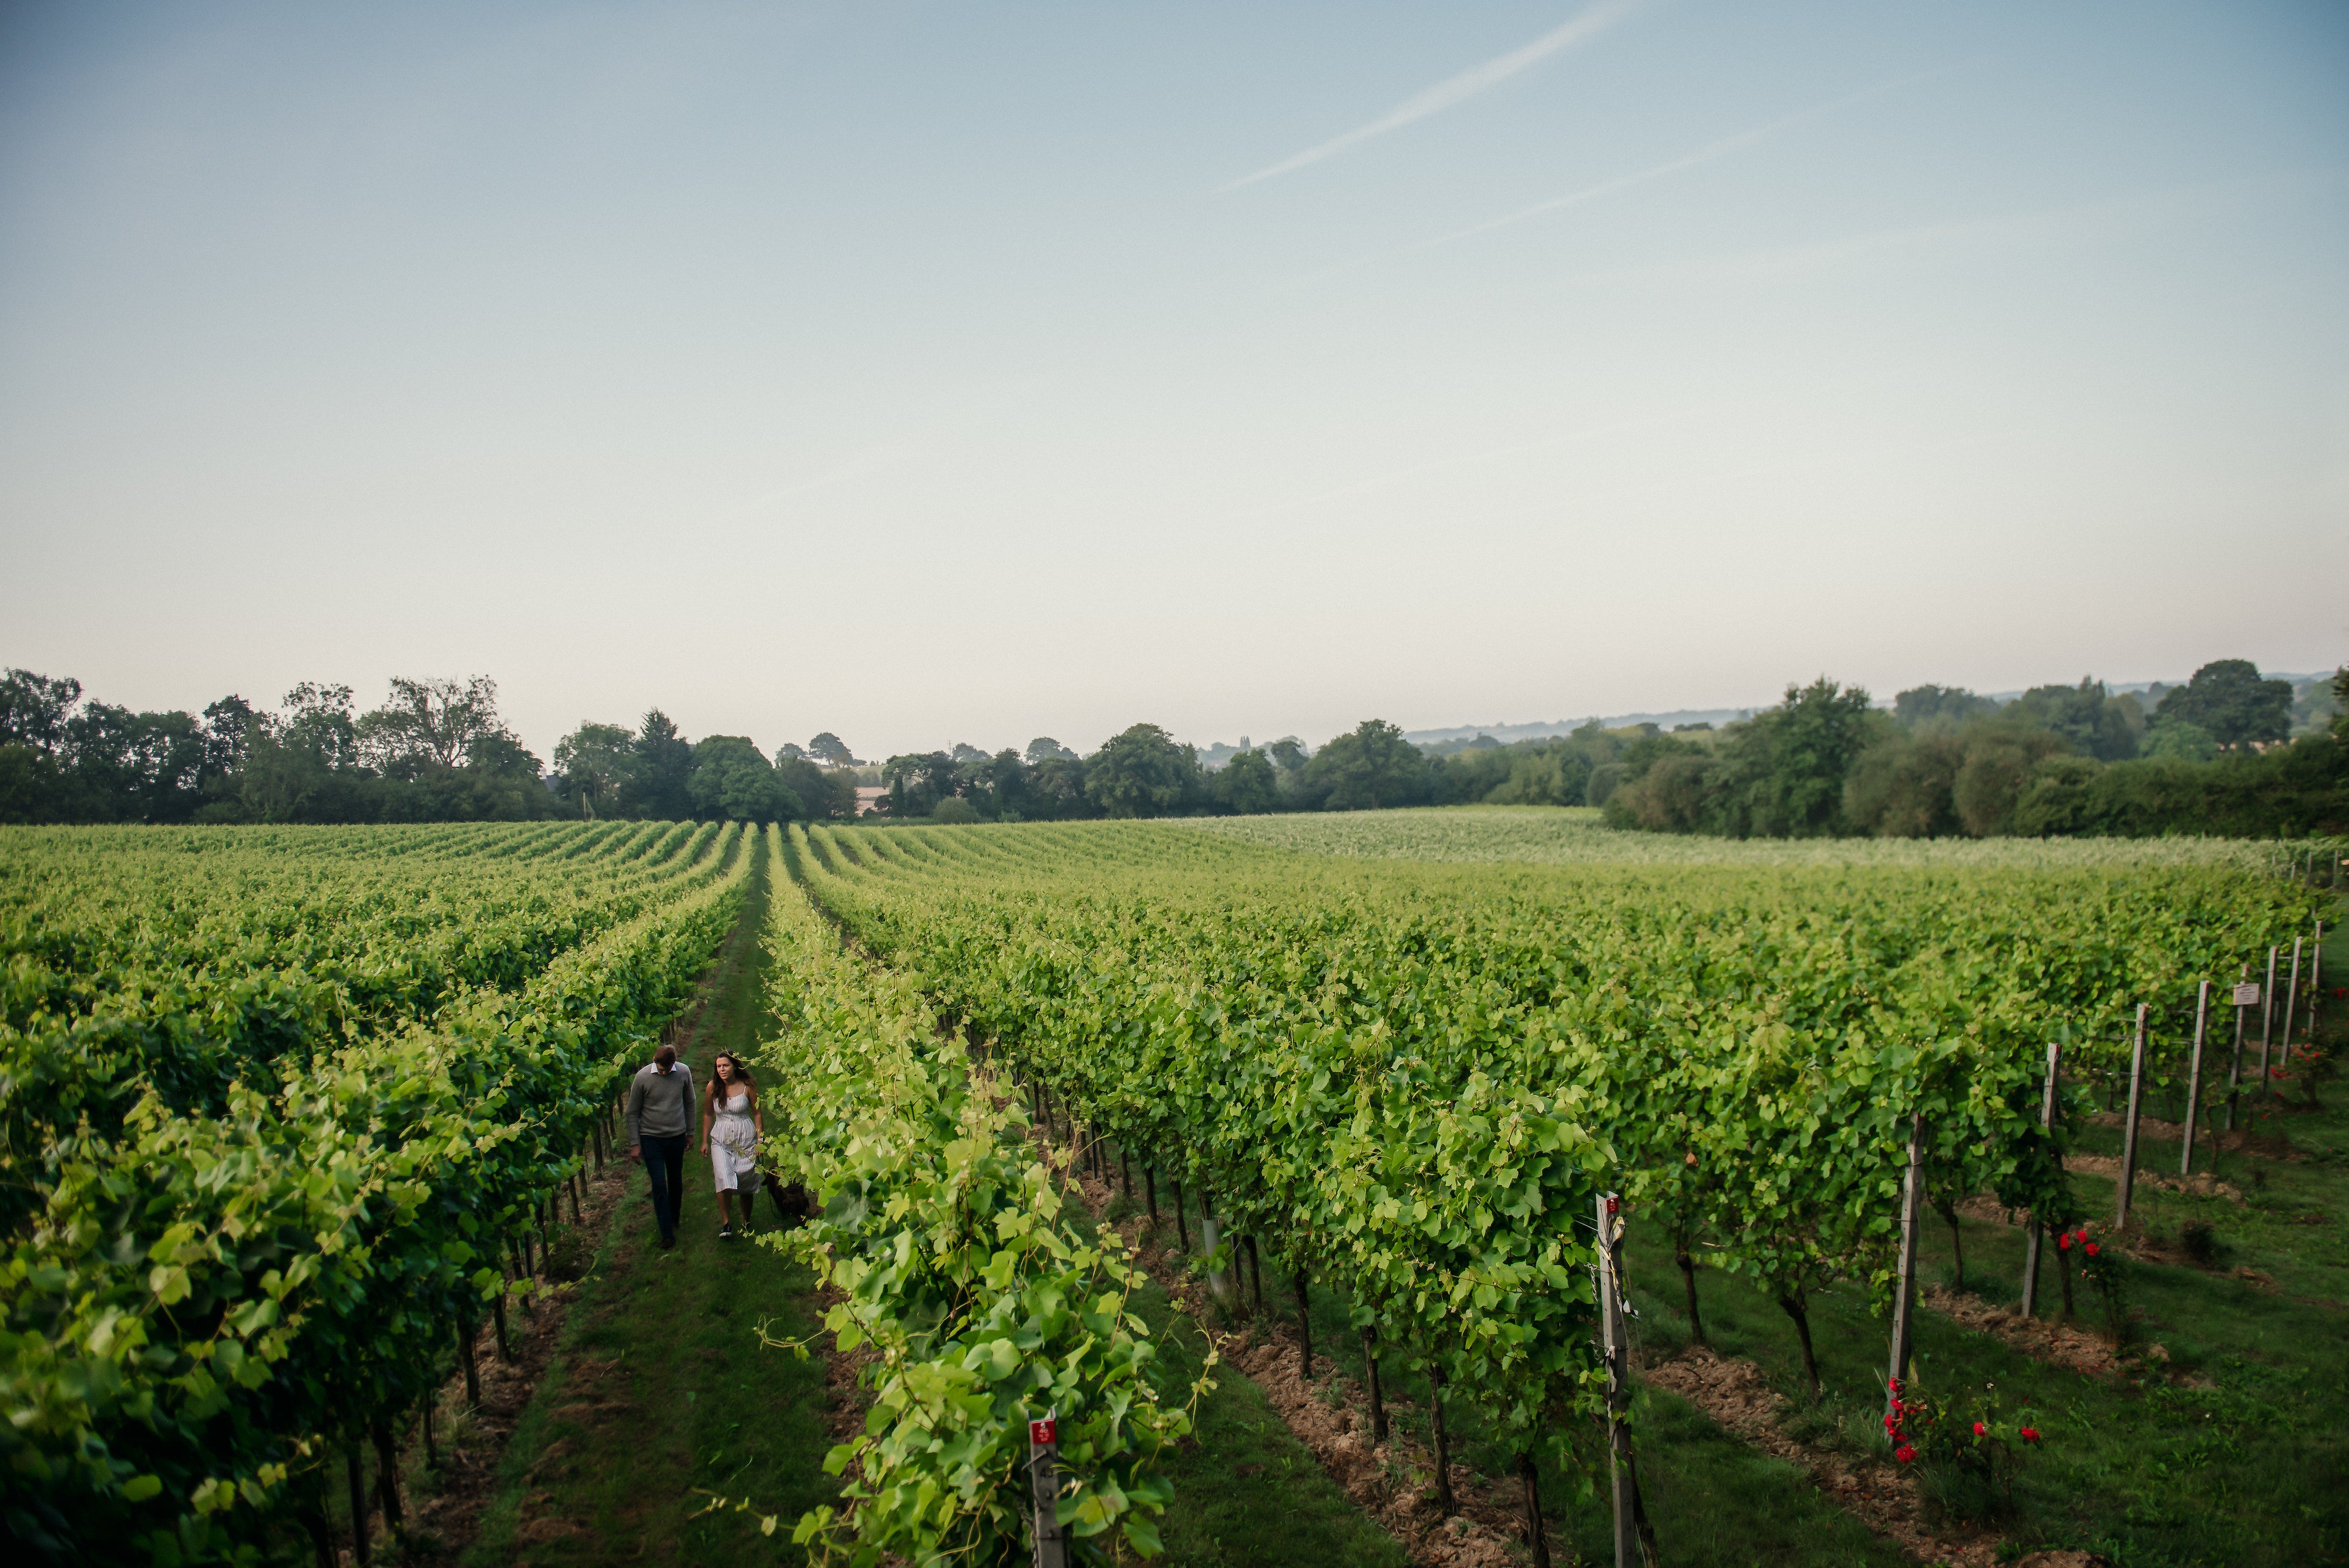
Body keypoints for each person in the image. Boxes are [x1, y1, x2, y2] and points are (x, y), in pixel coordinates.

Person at [702, 1051, 810, 1237]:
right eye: (719, 1066)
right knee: (723, 1177)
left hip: (745, 1138)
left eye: (725, 1065)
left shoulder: (748, 1086)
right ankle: (726, 1223)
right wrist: (704, 1141)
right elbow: (707, 1114)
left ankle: (746, 1220)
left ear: (734, 1066)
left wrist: (759, 1141)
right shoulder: (712, 1088)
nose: (722, 1069)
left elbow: (757, 1113)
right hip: (721, 1139)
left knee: (745, 1179)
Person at [625, 1043, 697, 1249]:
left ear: (674, 1063)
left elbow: (690, 1102)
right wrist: (635, 1144)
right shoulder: (642, 1077)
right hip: (651, 1138)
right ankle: (667, 1233)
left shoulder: (683, 1072)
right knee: (659, 1184)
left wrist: (690, 1132)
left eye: (667, 1070)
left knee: (675, 1181)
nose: (664, 1073)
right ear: (654, 1060)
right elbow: (632, 1112)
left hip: (676, 1135)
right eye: (661, 1069)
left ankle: (674, 1216)